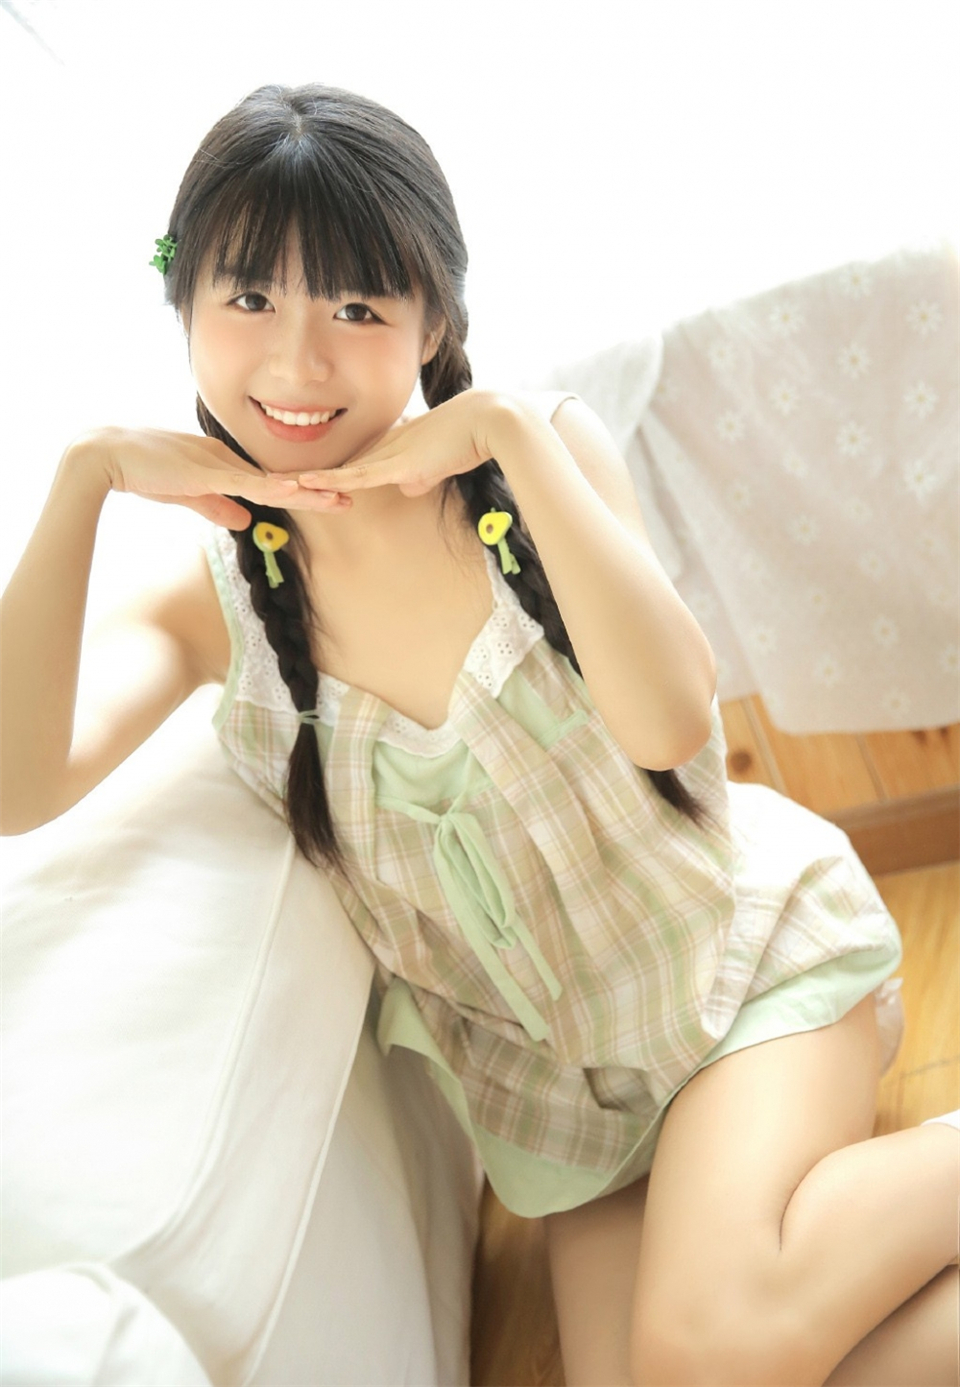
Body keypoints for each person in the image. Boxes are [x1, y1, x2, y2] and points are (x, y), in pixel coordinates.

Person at [1, 83, 956, 1387]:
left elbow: (670, 717)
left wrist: (504, 427)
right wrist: (85, 476)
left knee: (704, 1354)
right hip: (573, 1106)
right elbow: (17, 787)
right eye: (250, 299)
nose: (298, 362)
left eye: (355, 307)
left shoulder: (536, 456)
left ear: (433, 319)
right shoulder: (213, 604)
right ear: (185, 308)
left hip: (740, 980)